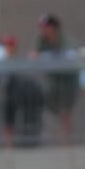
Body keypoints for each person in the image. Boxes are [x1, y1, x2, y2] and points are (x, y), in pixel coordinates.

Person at [35, 14, 78, 144]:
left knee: (65, 111)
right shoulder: (42, 41)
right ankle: (54, 140)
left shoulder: (66, 40)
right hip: (53, 80)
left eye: (45, 28)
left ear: (53, 28)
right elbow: (38, 56)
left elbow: (71, 57)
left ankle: (65, 142)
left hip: (68, 79)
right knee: (51, 109)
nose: (42, 31)